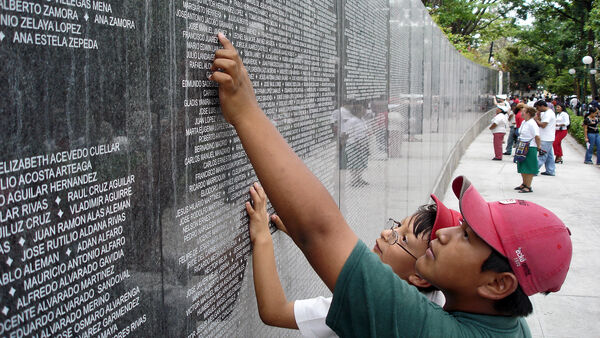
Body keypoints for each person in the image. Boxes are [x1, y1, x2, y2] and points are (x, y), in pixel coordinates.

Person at [209, 33, 572, 337]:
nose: (444, 235)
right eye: (462, 226)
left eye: (467, 237)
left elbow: (320, 232)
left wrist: (245, 112)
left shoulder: (429, 329)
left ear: (498, 285)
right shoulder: (506, 324)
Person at [246, 182, 461, 337]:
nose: (388, 232)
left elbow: (274, 311)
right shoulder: (436, 298)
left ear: (420, 277)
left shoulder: (371, 307)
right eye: (397, 225)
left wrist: (262, 236)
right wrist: (300, 234)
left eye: (403, 238)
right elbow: (344, 267)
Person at [514, 107, 541, 193]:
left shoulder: (532, 123)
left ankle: (528, 186)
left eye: (524, 112)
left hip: (530, 146)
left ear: (528, 114)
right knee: (522, 165)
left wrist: (539, 147)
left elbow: (537, 136)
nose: (521, 113)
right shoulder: (524, 122)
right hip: (522, 145)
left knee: (529, 166)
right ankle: (524, 183)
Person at [533, 100, 556, 176]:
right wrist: (538, 116)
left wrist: (536, 119)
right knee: (549, 155)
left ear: (542, 106)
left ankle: (534, 170)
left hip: (546, 138)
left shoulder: (548, 114)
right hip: (548, 137)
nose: (538, 110)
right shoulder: (547, 113)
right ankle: (550, 170)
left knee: (542, 155)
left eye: (538, 108)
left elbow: (543, 125)